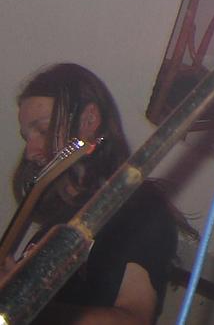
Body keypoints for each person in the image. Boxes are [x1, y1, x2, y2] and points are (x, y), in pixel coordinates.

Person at [4, 63, 182, 324]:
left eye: (42, 130)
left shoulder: (138, 208)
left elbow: (134, 319)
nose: (30, 151)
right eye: (27, 137)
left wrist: (24, 305)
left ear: (89, 120)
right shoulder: (58, 223)